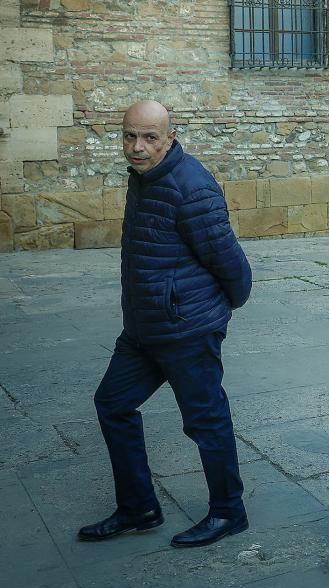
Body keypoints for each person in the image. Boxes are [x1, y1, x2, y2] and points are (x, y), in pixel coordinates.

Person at [80, 101, 253, 548]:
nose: (137, 147)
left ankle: (228, 512)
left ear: (170, 138)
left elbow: (230, 262)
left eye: (150, 137)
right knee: (112, 404)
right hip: (143, 328)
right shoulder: (143, 177)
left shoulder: (190, 186)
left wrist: (214, 312)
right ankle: (139, 508)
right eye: (129, 136)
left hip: (186, 328)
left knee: (205, 420)